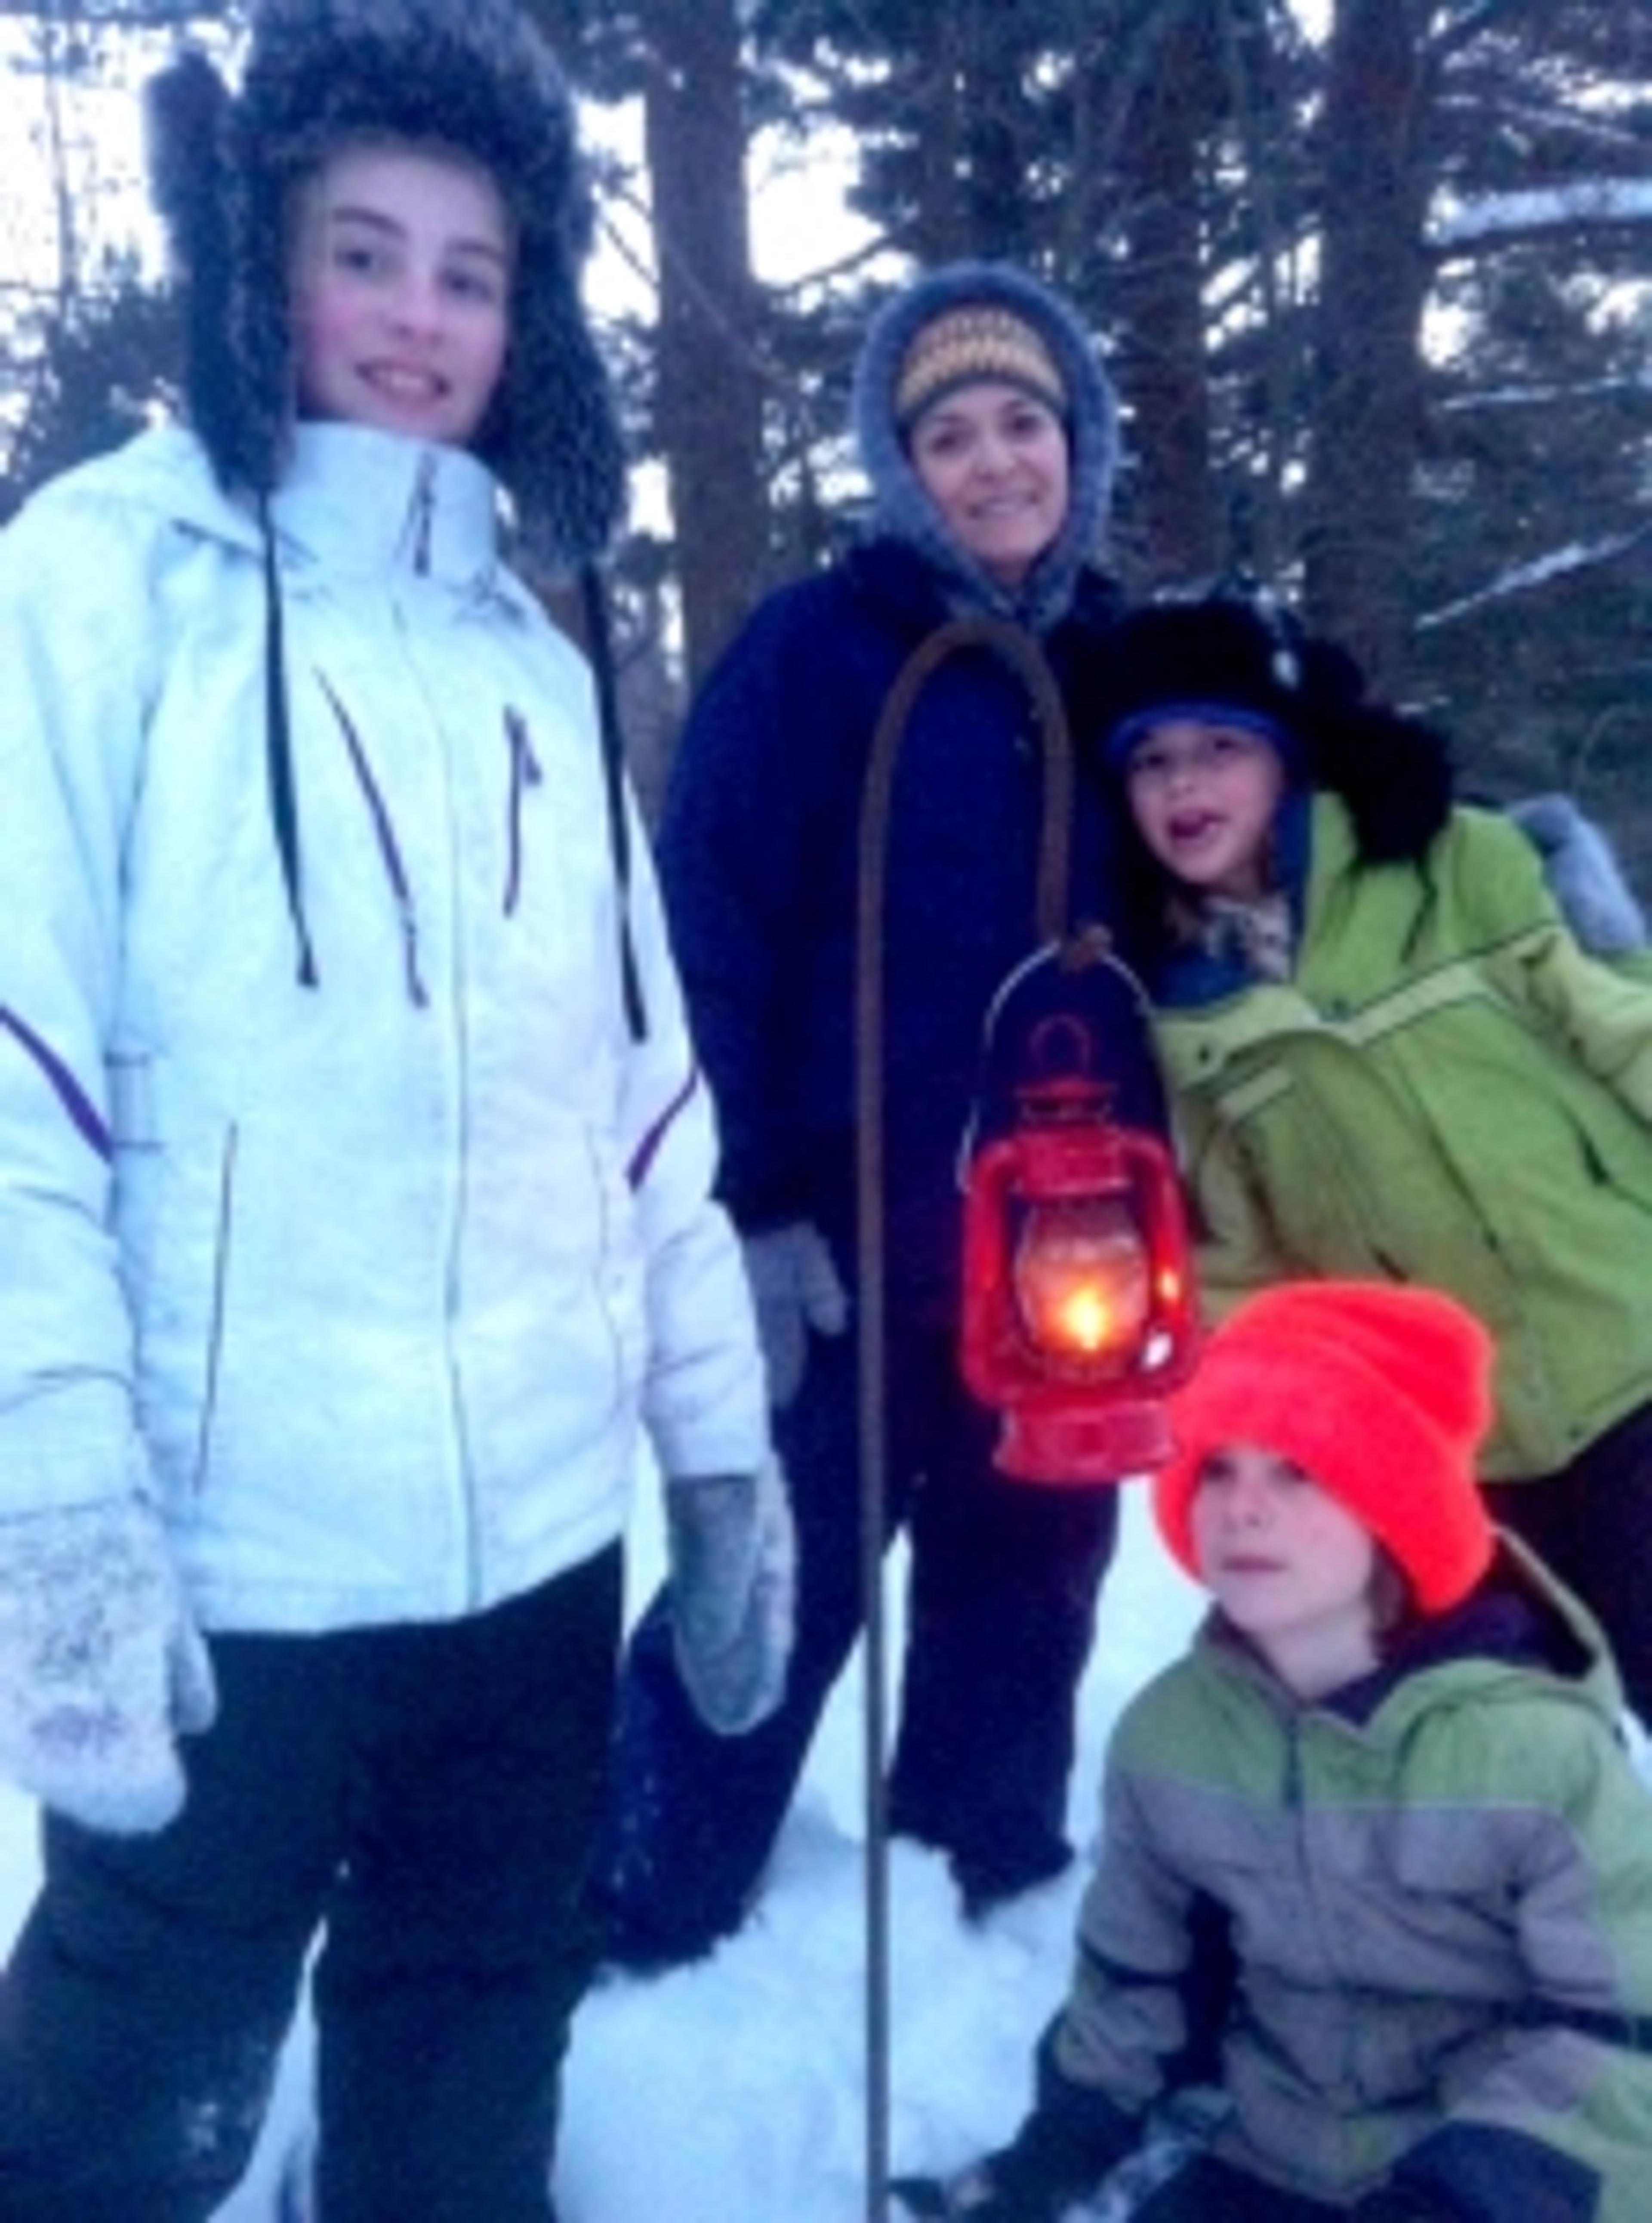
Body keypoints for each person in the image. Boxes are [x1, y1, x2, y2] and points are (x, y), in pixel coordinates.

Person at [0, 0, 790, 2216]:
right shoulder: (97, 579)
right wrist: (55, 1499)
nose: (421, 316)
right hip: (234, 1549)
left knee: (474, 2024)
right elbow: (16, 1088)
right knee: (132, 2068)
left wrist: (713, 1458)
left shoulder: (538, 654)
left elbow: (647, 1114)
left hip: (535, 1551)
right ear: (262, 260)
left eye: (473, 270)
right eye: (368, 252)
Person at [596, 261, 1134, 1969]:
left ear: (1080, 444)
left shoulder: (1133, 661)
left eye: (1024, 424)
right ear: (902, 468)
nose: (993, 463)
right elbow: (704, 933)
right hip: (840, 1257)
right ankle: (631, 1909)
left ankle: (974, 1909)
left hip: (1068, 1266)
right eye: (950, 433)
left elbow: (1269, 808)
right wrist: (740, 1201)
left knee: (1026, 1594)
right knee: (766, 1588)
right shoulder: (814, 654)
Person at [900, 1280, 1652, 2222]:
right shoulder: (1173, 1738)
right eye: (1218, 1470)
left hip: (1498, 2186)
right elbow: (1138, 1978)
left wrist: (1462, 2201)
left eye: (1299, 1473)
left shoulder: (1540, 1757)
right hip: (1262, 2164)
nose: (1242, 1510)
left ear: (1396, 1512)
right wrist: (1058, 2153)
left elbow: (1619, 2035)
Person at [1083, 585, 1652, 1738]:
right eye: (1151, 763)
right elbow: (1244, 1267)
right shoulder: (1179, 1016)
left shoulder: (1459, 863)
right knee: (1524, 1763)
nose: (1183, 785)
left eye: (1218, 747)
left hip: (1634, 1349)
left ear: (1287, 757)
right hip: (1463, 1449)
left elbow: (1626, 1028)